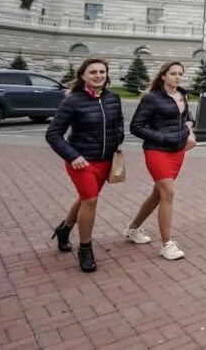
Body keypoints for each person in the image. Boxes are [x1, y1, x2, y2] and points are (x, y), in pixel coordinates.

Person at [45, 58, 125, 273]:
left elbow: (118, 123)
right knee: (90, 200)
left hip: (105, 161)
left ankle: (64, 229)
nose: (98, 75)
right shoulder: (73, 101)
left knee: (84, 199)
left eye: (102, 71)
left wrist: (118, 138)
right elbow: (53, 134)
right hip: (82, 162)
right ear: (83, 76)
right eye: (93, 72)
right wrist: (73, 156)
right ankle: (85, 248)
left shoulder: (113, 98)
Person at [124, 60, 196, 260]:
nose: (177, 77)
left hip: (178, 151)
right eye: (173, 73)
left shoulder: (182, 94)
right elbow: (136, 127)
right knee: (168, 193)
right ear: (163, 75)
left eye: (180, 74)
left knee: (158, 195)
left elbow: (187, 116)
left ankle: (133, 229)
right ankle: (166, 245)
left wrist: (190, 131)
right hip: (157, 151)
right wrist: (164, 137)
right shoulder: (151, 98)